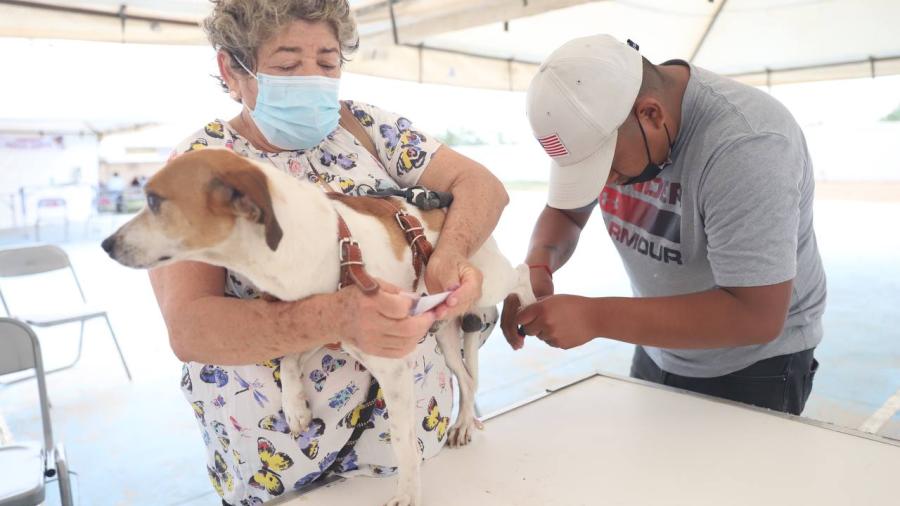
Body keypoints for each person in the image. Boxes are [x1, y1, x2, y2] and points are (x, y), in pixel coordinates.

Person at [150, 1, 508, 504]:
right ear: (232, 69)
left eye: (327, 61)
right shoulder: (205, 167)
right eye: (288, 64)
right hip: (281, 466)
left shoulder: (367, 128)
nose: (312, 79)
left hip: (408, 451)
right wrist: (332, 317)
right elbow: (190, 328)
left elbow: (482, 185)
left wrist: (451, 254)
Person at [501, 34, 825, 416]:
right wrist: (538, 266)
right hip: (658, 347)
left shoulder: (748, 145)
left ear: (651, 115)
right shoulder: (617, 126)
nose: (602, 185)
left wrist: (595, 316)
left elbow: (755, 314)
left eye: (608, 168)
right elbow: (567, 213)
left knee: (732, 477)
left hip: (755, 366)